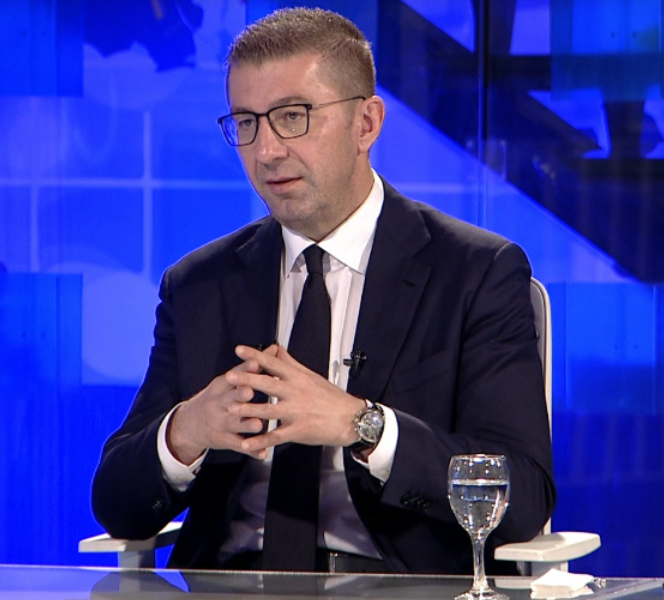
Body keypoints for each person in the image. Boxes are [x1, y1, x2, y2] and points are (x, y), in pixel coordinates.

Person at [92, 7, 555, 575]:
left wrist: (364, 425)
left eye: (292, 117)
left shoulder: (474, 272)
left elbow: (522, 496)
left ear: (367, 123)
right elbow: (116, 503)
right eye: (246, 122)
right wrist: (186, 432)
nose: (266, 150)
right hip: (229, 583)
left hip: (401, 585)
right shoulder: (198, 284)